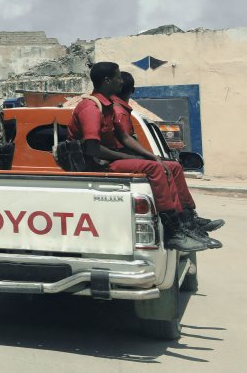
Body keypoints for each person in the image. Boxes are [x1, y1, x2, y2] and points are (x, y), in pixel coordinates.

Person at [69, 62, 206, 252]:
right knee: (154, 168)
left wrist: (151, 155)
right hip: (98, 165)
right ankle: (173, 232)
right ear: (107, 80)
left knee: (168, 165)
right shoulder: (91, 108)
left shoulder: (107, 106)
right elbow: (92, 149)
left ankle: (188, 221)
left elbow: (124, 137)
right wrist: (125, 157)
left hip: (110, 160)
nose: (120, 81)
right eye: (117, 77)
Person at [111, 71, 222, 246]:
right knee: (162, 167)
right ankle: (178, 226)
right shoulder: (119, 111)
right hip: (118, 160)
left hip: (122, 157)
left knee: (174, 166)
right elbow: (124, 140)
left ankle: (188, 218)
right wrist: (152, 157)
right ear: (130, 90)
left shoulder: (120, 110)